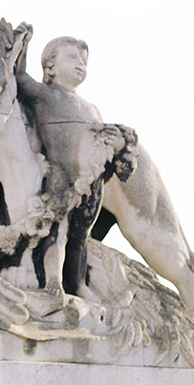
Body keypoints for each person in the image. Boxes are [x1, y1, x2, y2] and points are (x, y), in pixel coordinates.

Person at [16, 35, 136, 299]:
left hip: (90, 181)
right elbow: (19, 76)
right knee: (58, 231)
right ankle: (54, 281)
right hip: (60, 176)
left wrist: (118, 146)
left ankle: (78, 283)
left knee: (80, 237)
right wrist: (22, 45)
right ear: (50, 66)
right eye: (72, 57)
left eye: (84, 60)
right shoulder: (44, 94)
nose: (81, 63)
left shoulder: (91, 108)